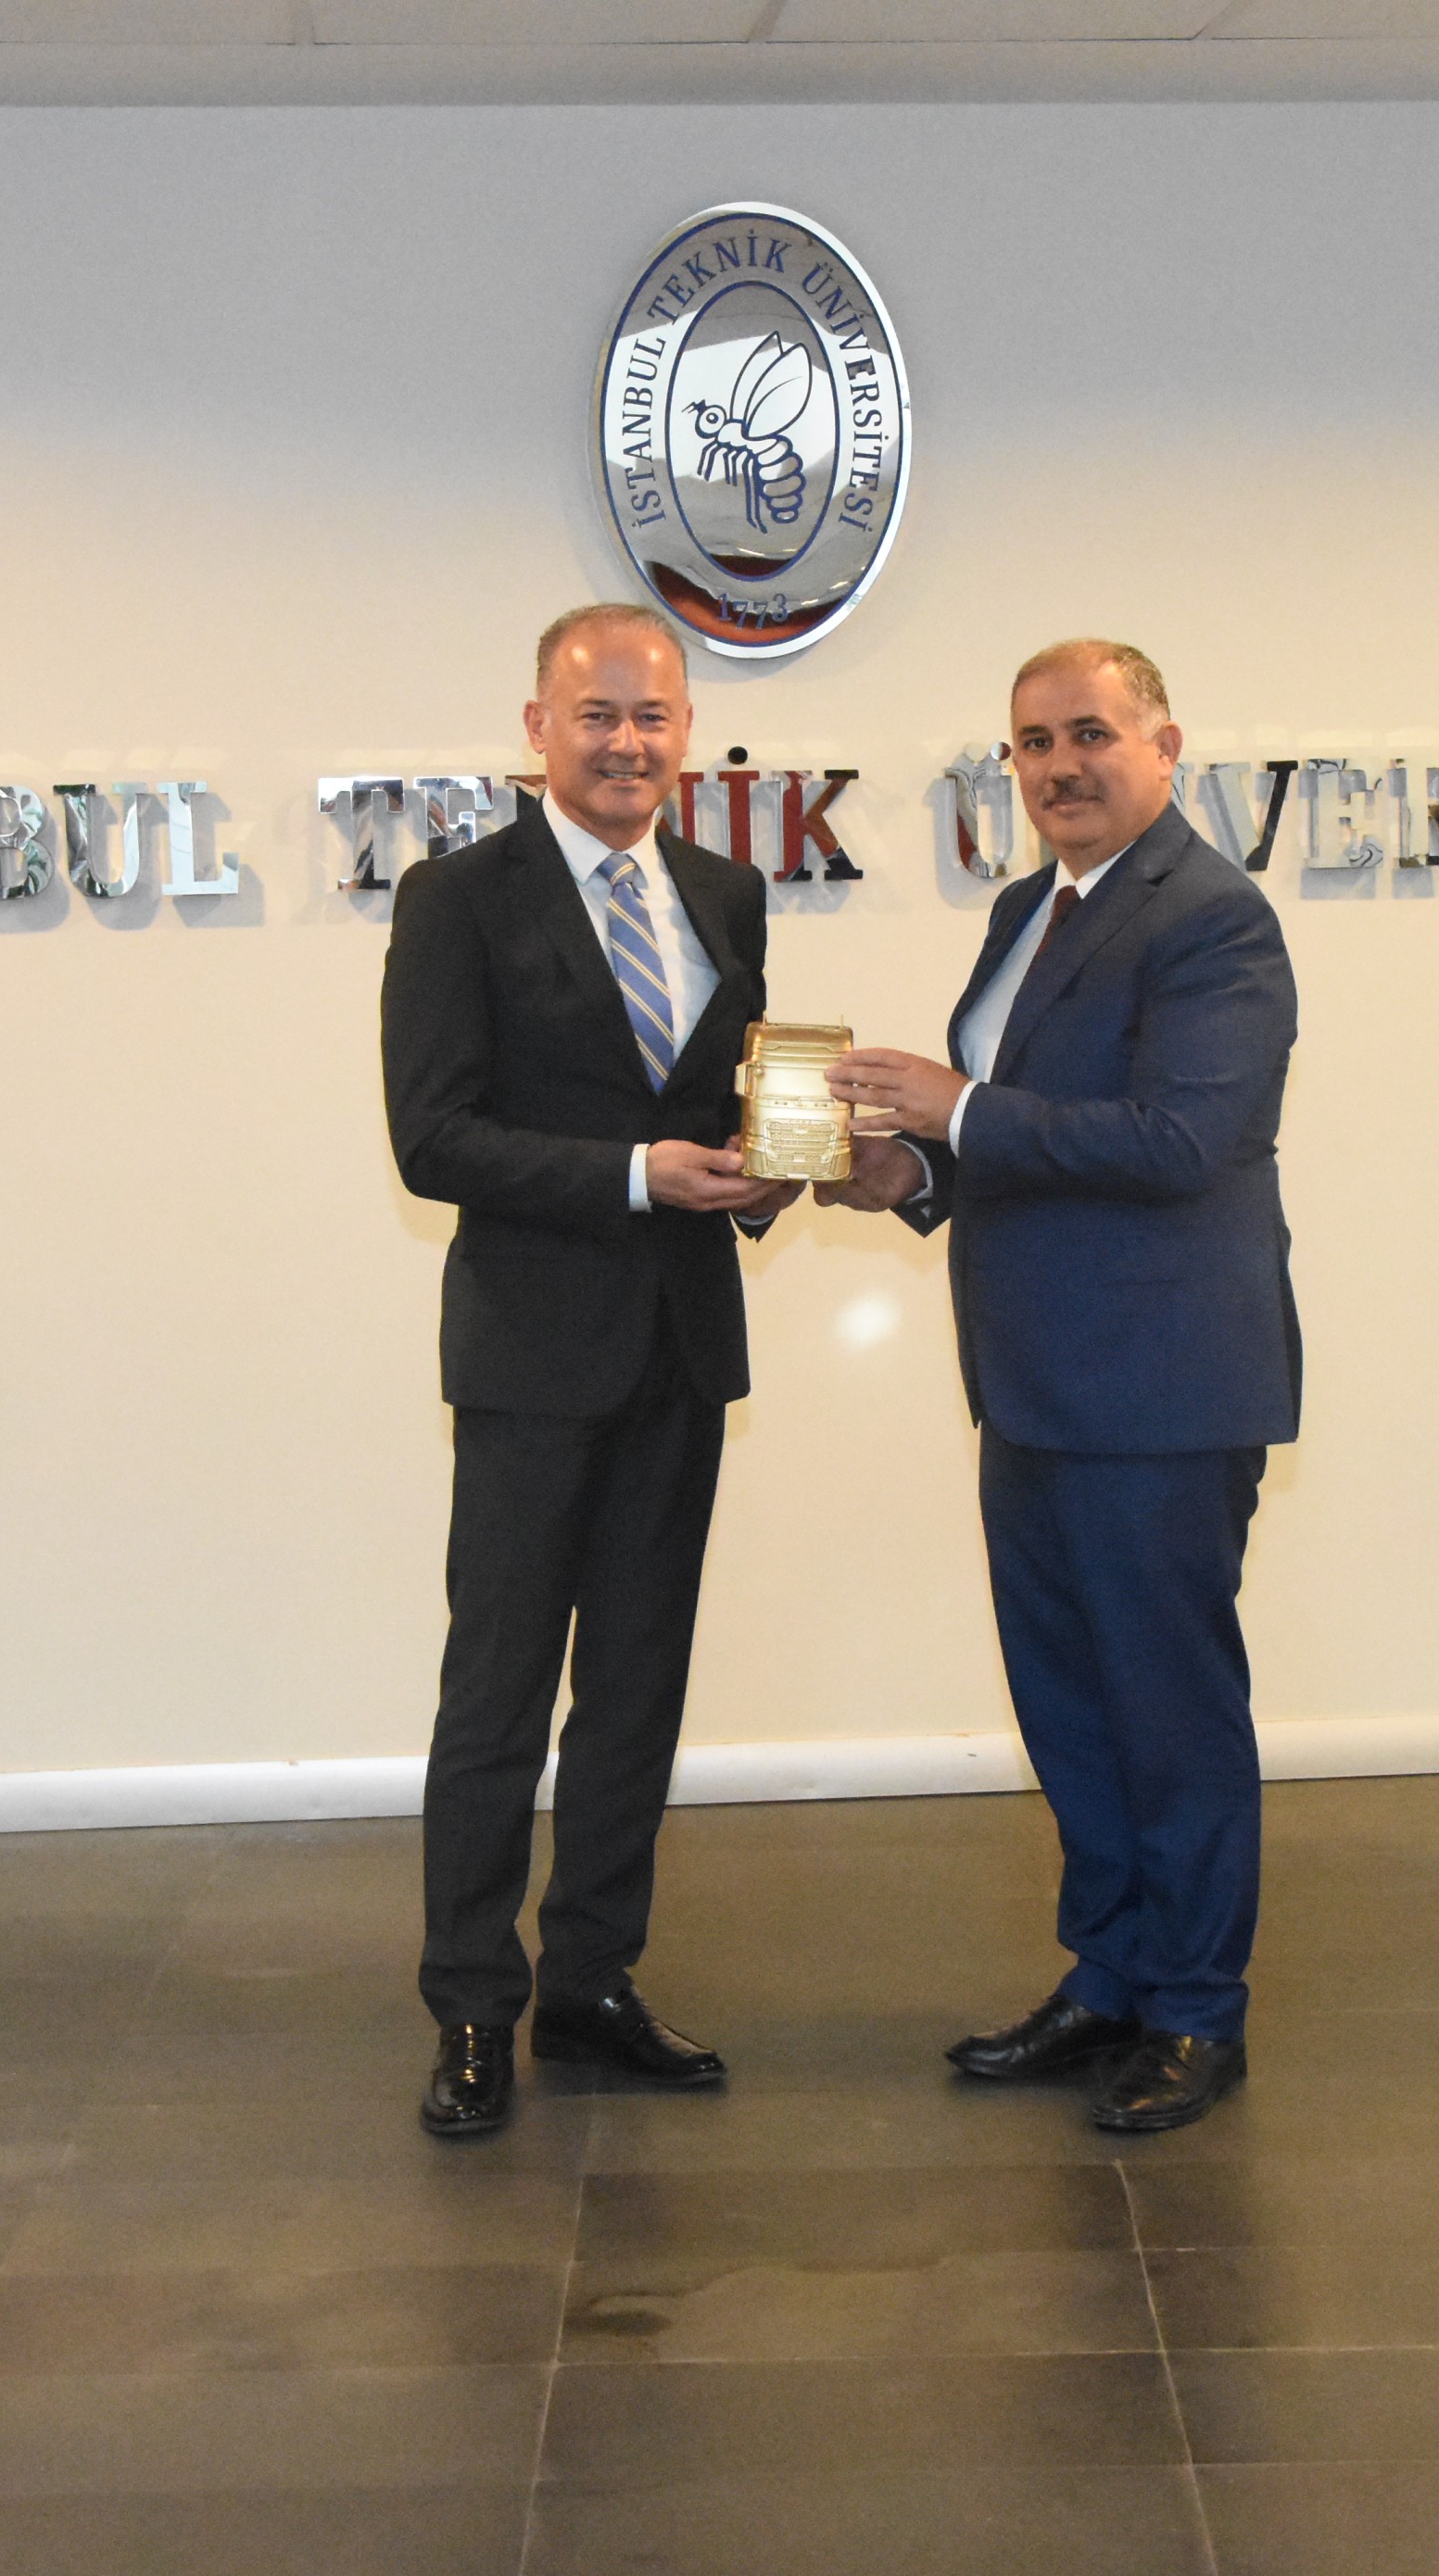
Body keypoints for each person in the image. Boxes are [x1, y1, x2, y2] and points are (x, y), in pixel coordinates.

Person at [821, 639, 1300, 2133]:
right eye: (1032, 743)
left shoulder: (1215, 919)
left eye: (1090, 733)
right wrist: (909, 1175)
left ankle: (1198, 2010)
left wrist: (955, 1106)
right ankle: (1110, 1977)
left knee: (1170, 1713)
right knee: (1072, 1705)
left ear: (1166, 744)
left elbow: (1179, 1143)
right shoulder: (1030, 910)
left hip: (1161, 1392)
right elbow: (1020, 1145)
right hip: (1033, 1385)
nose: (1059, 766)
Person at [380, 603, 796, 2138]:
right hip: (531, 1360)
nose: (628, 742)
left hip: (680, 1355)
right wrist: (635, 1176)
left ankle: (592, 1983)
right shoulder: (455, 899)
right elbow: (433, 1138)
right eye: (598, 714)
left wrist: (769, 1170)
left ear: (687, 733)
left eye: (653, 716)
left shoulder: (727, 893)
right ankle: (470, 2008)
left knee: (635, 1693)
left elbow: (734, 1100)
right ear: (538, 728)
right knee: (496, 1696)